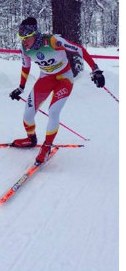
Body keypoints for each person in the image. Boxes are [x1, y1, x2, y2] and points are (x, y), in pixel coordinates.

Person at [9, 17, 105, 164]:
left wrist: (95, 69)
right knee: (28, 114)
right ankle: (31, 139)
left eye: (26, 37)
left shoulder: (52, 41)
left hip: (64, 79)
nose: (24, 41)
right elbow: (25, 67)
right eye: (21, 37)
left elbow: (79, 49)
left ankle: (46, 147)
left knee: (53, 111)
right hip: (46, 79)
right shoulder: (24, 49)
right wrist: (21, 87)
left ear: (35, 34)